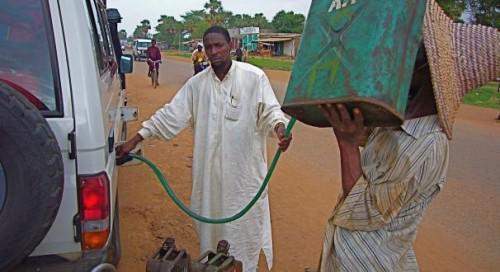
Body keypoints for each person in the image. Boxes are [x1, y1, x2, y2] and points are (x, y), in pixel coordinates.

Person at [317, 1, 498, 271]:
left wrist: (346, 144)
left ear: (427, 67)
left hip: (370, 264)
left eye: (410, 47)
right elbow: (375, 145)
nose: (395, 51)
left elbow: (363, 212)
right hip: (346, 255)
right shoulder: (401, 113)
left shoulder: (426, 144)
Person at [116, 26, 292, 272]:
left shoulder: (254, 78)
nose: (213, 51)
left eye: (219, 45)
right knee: (210, 241)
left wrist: (280, 129)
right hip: (209, 183)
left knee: (244, 239)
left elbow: (272, 111)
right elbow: (169, 116)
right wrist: (135, 139)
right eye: (209, 47)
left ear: (230, 46)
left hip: (244, 183)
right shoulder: (196, 85)